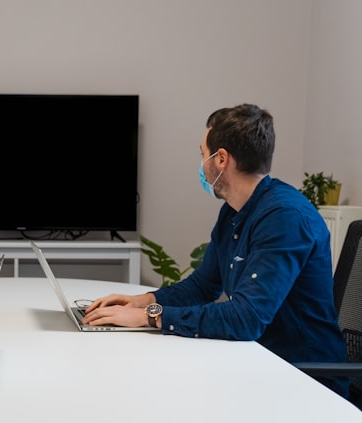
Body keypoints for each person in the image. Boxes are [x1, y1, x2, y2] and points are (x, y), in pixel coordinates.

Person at [83, 103, 348, 397]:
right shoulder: (235, 211)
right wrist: (139, 301)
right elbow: (202, 286)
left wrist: (150, 315)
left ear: (221, 159)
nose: (201, 164)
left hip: (304, 381)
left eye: (202, 153)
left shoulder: (285, 217)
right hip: (259, 362)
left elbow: (246, 318)